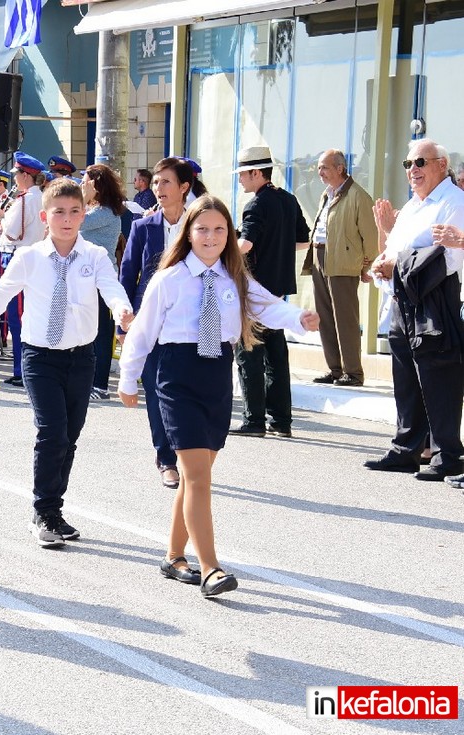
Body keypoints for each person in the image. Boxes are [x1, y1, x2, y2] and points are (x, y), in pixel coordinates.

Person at [119, 195, 318, 597]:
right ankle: (210, 567)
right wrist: (128, 379)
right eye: (203, 229)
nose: (211, 236)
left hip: (216, 376)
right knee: (196, 476)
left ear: (230, 235)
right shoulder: (169, 278)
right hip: (176, 375)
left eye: (219, 229)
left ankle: (174, 555)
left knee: (198, 476)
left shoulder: (235, 277)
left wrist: (299, 318)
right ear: (188, 234)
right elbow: (141, 333)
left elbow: (267, 307)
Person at [0, 179, 133, 547]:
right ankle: (42, 511)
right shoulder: (29, 258)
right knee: (52, 432)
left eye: (76, 211)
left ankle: (54, 511)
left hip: (81, 358)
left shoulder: (94, 256)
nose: (68, 219)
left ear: (84, 214)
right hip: (40, 358)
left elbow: (111, 287)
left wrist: (121, 310)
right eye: (59, 212)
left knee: (69, 438)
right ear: (45, 216)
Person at [364, 139, 464, 481]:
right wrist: (381, 265)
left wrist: (397, 266)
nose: (413, 170)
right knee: (405, 379)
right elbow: (393, 249)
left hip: (435, 299)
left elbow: (448, 258)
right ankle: (407, 449)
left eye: (420, 162)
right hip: (403, 300)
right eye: (408, 164)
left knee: (439, 379)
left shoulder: (454, 202)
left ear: (441, 164)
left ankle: (448, 454)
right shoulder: (411, 208)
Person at [120, 157, 198, 489]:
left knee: (186, 390)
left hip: (188, 320)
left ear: (184, 187)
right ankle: (165, 457)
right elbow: (127, 272)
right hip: (148, 319)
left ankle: (189, 452)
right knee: (154, 388)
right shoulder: (143, 226)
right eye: (155, 182)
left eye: (165, 182)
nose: (158, 188)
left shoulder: (200, 226)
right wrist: (123, 318)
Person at [231, 145, 310, 439]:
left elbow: (246, 244)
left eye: (243, 174)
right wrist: (276, 247)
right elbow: (303, 241)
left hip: (255, 291)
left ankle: (254, 420)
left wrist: (223, 260)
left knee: (249, 353)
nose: (240, 180)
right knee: (276, 355)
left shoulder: (255, 205)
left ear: (256, 172)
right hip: (278, 290)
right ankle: (280, 420)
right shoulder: (288, 200)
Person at [307, 149, 378, 387]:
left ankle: (353, 372)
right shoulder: (326, 195)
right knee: (325, 317)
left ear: (340, 168)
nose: (320, 172)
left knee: (344, 318)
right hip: (320, 257)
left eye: (325, 167)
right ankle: (335, 370)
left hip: (343, 263)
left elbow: (370, 235)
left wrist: (367, 264)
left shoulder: (358, 195)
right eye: (319, 167)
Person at [0, 151, 47, 387]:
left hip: (20, 258)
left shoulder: (25, 200)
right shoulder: (41, 198)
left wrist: (1, 219)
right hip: (37, 260)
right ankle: (26, 368)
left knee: (17, 319)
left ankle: (21, 370)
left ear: (26, 176)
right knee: (28, 317)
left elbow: (13, 232)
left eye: (18, 174)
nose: (15, 178)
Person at [80, 163, 127, 402]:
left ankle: (99, 384)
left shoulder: (105, 212)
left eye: (86, 181)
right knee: (87, 330)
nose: (82, 185)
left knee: (100, 332)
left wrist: (83, 198)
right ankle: (89, 380)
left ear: (97, 184)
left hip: (100, 278)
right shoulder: (95, 208)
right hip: (84, 276)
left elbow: (74, 221)